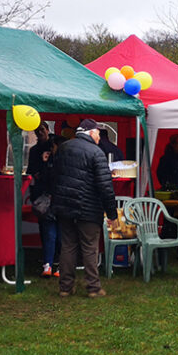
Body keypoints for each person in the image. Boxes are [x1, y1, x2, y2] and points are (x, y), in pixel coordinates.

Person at [52, 119, 118, 298]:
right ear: (90, 132)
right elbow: (105, 186)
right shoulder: (96, 152)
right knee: (89, 248)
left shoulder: (63, 148)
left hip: (65, 207)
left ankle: (65, 287)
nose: (99, 137)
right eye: (98, 133)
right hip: (88, 208)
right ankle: (93, 288)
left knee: (68, 246)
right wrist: (112, 214)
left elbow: (54, 176)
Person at [29, 133, 63, 278]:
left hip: (51, 201)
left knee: (51, 234)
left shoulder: (51, 163)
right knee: (59, 235)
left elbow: (42, 180)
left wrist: (44, 164)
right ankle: (56, 265)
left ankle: (49, 265)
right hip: (60, 202)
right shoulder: (65, 163)